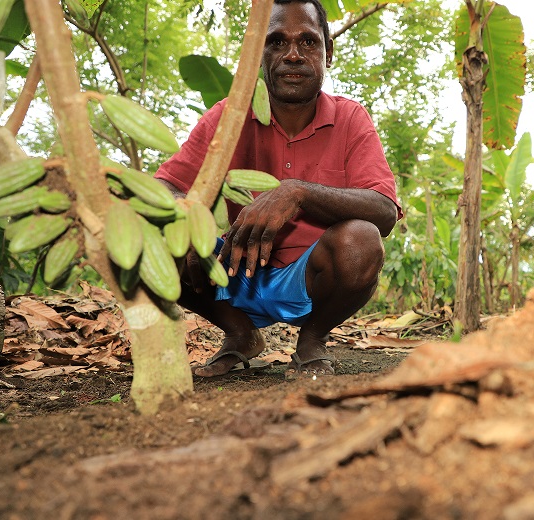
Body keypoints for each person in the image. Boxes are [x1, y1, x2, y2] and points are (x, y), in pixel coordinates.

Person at [155, 0, 402, 379]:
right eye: (276, 42)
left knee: (362, 241)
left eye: (308, 42)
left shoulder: (351, 118)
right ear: (259, 53)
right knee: (154, 231)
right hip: (229, 271)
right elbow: (165, 186)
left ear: (327, 52)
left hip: (310, 278)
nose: (292, 55)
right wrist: (184, 219)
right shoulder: (228, 115)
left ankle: (312, 339)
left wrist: (297, 192)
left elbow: (384, 212)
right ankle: (240, 332)